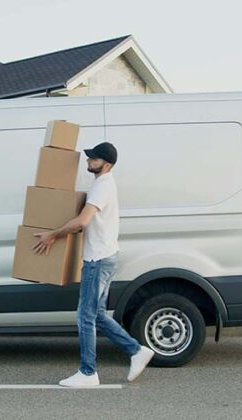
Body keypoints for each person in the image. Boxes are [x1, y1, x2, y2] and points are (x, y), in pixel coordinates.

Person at [33, 141, 154, 387]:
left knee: (85, 316)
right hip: (106, 255)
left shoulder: (103, 186)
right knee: (96, 314)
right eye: (90, 157)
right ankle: (136, 350)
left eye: (94, 159)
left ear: (106, 164)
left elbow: (81, 222)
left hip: (98, 260)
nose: (88, 161)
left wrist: (52, 235)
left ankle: (88, 373)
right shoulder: (102, 184)